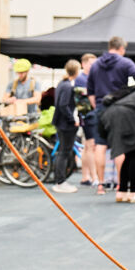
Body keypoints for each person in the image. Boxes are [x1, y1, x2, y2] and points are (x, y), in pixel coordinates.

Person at [87, 36, 135, 196]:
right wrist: (127, 94)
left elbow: (90, 91)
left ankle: (100, 185)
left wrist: (97, 105)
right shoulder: (125, 63)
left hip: (100, 107)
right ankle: (121, 184)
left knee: (100, 145)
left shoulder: (96, 64)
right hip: (119, 108)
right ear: (122, 48)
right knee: (120, 145)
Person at [51, 60, 81, 193]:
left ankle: (59, 180)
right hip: (66, 124)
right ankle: (60, 181)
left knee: (62, 151)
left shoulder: (62, 84)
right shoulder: (68, 86)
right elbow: (63, 105)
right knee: (64, 152)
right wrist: (72, 119)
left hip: (60, 122)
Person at [75, 53, 98, 186]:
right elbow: (85, 101)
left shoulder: (88, 78)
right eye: (91, 64)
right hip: (87, 116)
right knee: (91, 146)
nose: (94, 66)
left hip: (86, 116)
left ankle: (85, 176)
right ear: (83, 64)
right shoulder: (82, 79)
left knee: (87, 146)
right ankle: (94, 176)